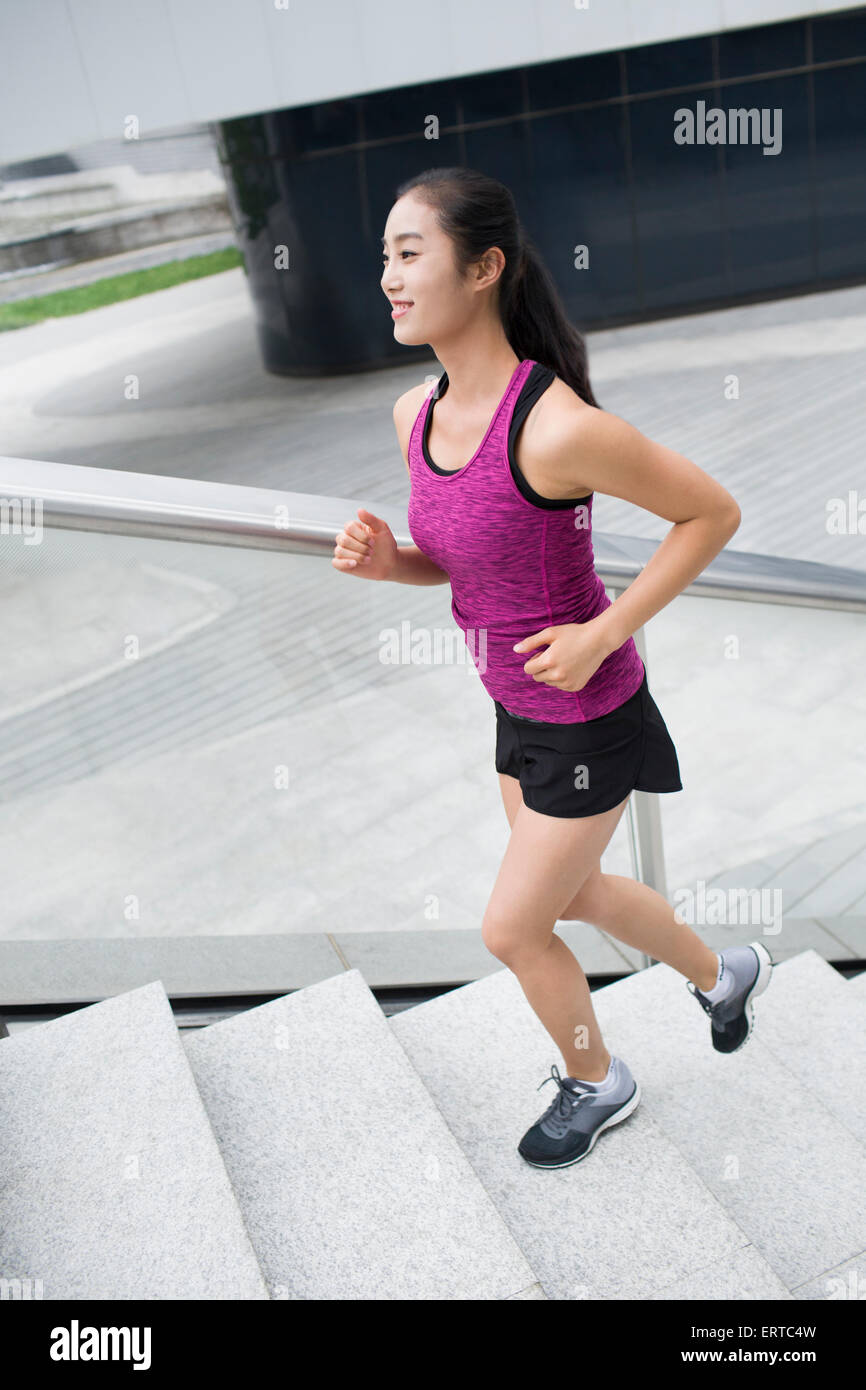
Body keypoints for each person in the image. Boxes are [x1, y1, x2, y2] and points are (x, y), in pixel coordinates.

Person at [332, 166, 773, 1170]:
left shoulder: (560, 428)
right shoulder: (416, 413)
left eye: (410, 255)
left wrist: (602, 631)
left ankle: (595, 1077)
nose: (389, 279)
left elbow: (709, 513)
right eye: (383, 258)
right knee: (570, 900)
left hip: (586, 718)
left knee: (511, 928)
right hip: (511, 707)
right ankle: (725, 971)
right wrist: (385, 560)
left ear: (483, 267)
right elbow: (458, 560)